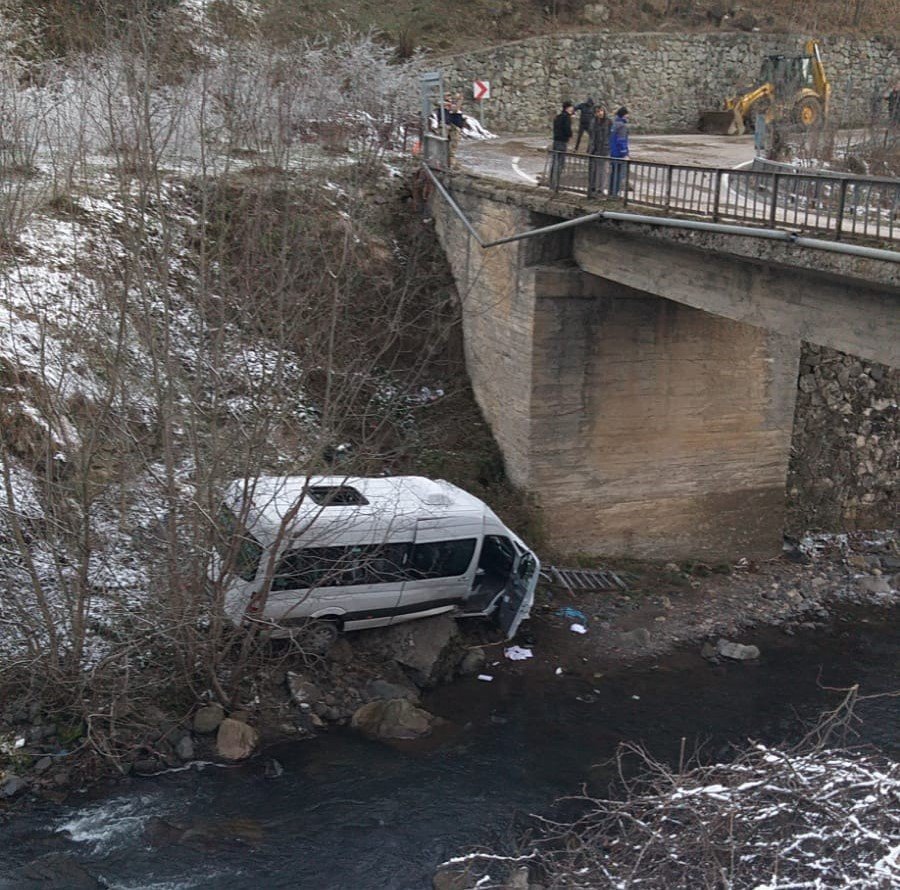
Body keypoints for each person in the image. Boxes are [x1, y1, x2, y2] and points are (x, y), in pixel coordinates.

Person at [549, 101, 575, 191]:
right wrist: (570, 134)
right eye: (571, 107)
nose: (573, 109)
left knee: (555, 162)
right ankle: (555, 184)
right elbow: (567, 130)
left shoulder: (558, 117)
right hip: (562, 142)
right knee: (560, 163)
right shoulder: (566, 118)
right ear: (568, 108)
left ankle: (552, 183)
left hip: (556, 141)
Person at [587, 105, 611, 197]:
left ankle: (601, 190)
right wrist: (590, 148)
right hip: (595, 150)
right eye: (597, 111)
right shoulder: (593, 122)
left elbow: (610, 136)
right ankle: (592, 189)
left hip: (604, 149)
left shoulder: (608, 122)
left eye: (601, 111)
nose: (600, 113)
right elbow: (592, 136)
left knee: (603, 171)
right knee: (593, 171)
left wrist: (608, 146)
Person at [609, 106, 630, 197]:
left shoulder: (614, 124)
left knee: (613, 173)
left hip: (613, 153)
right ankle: (615, 193)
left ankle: (611, 192)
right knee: (619, 174)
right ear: (624, 115)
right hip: (619, 154)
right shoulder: (622, 126)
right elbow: (621, 141)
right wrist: (625, 153)